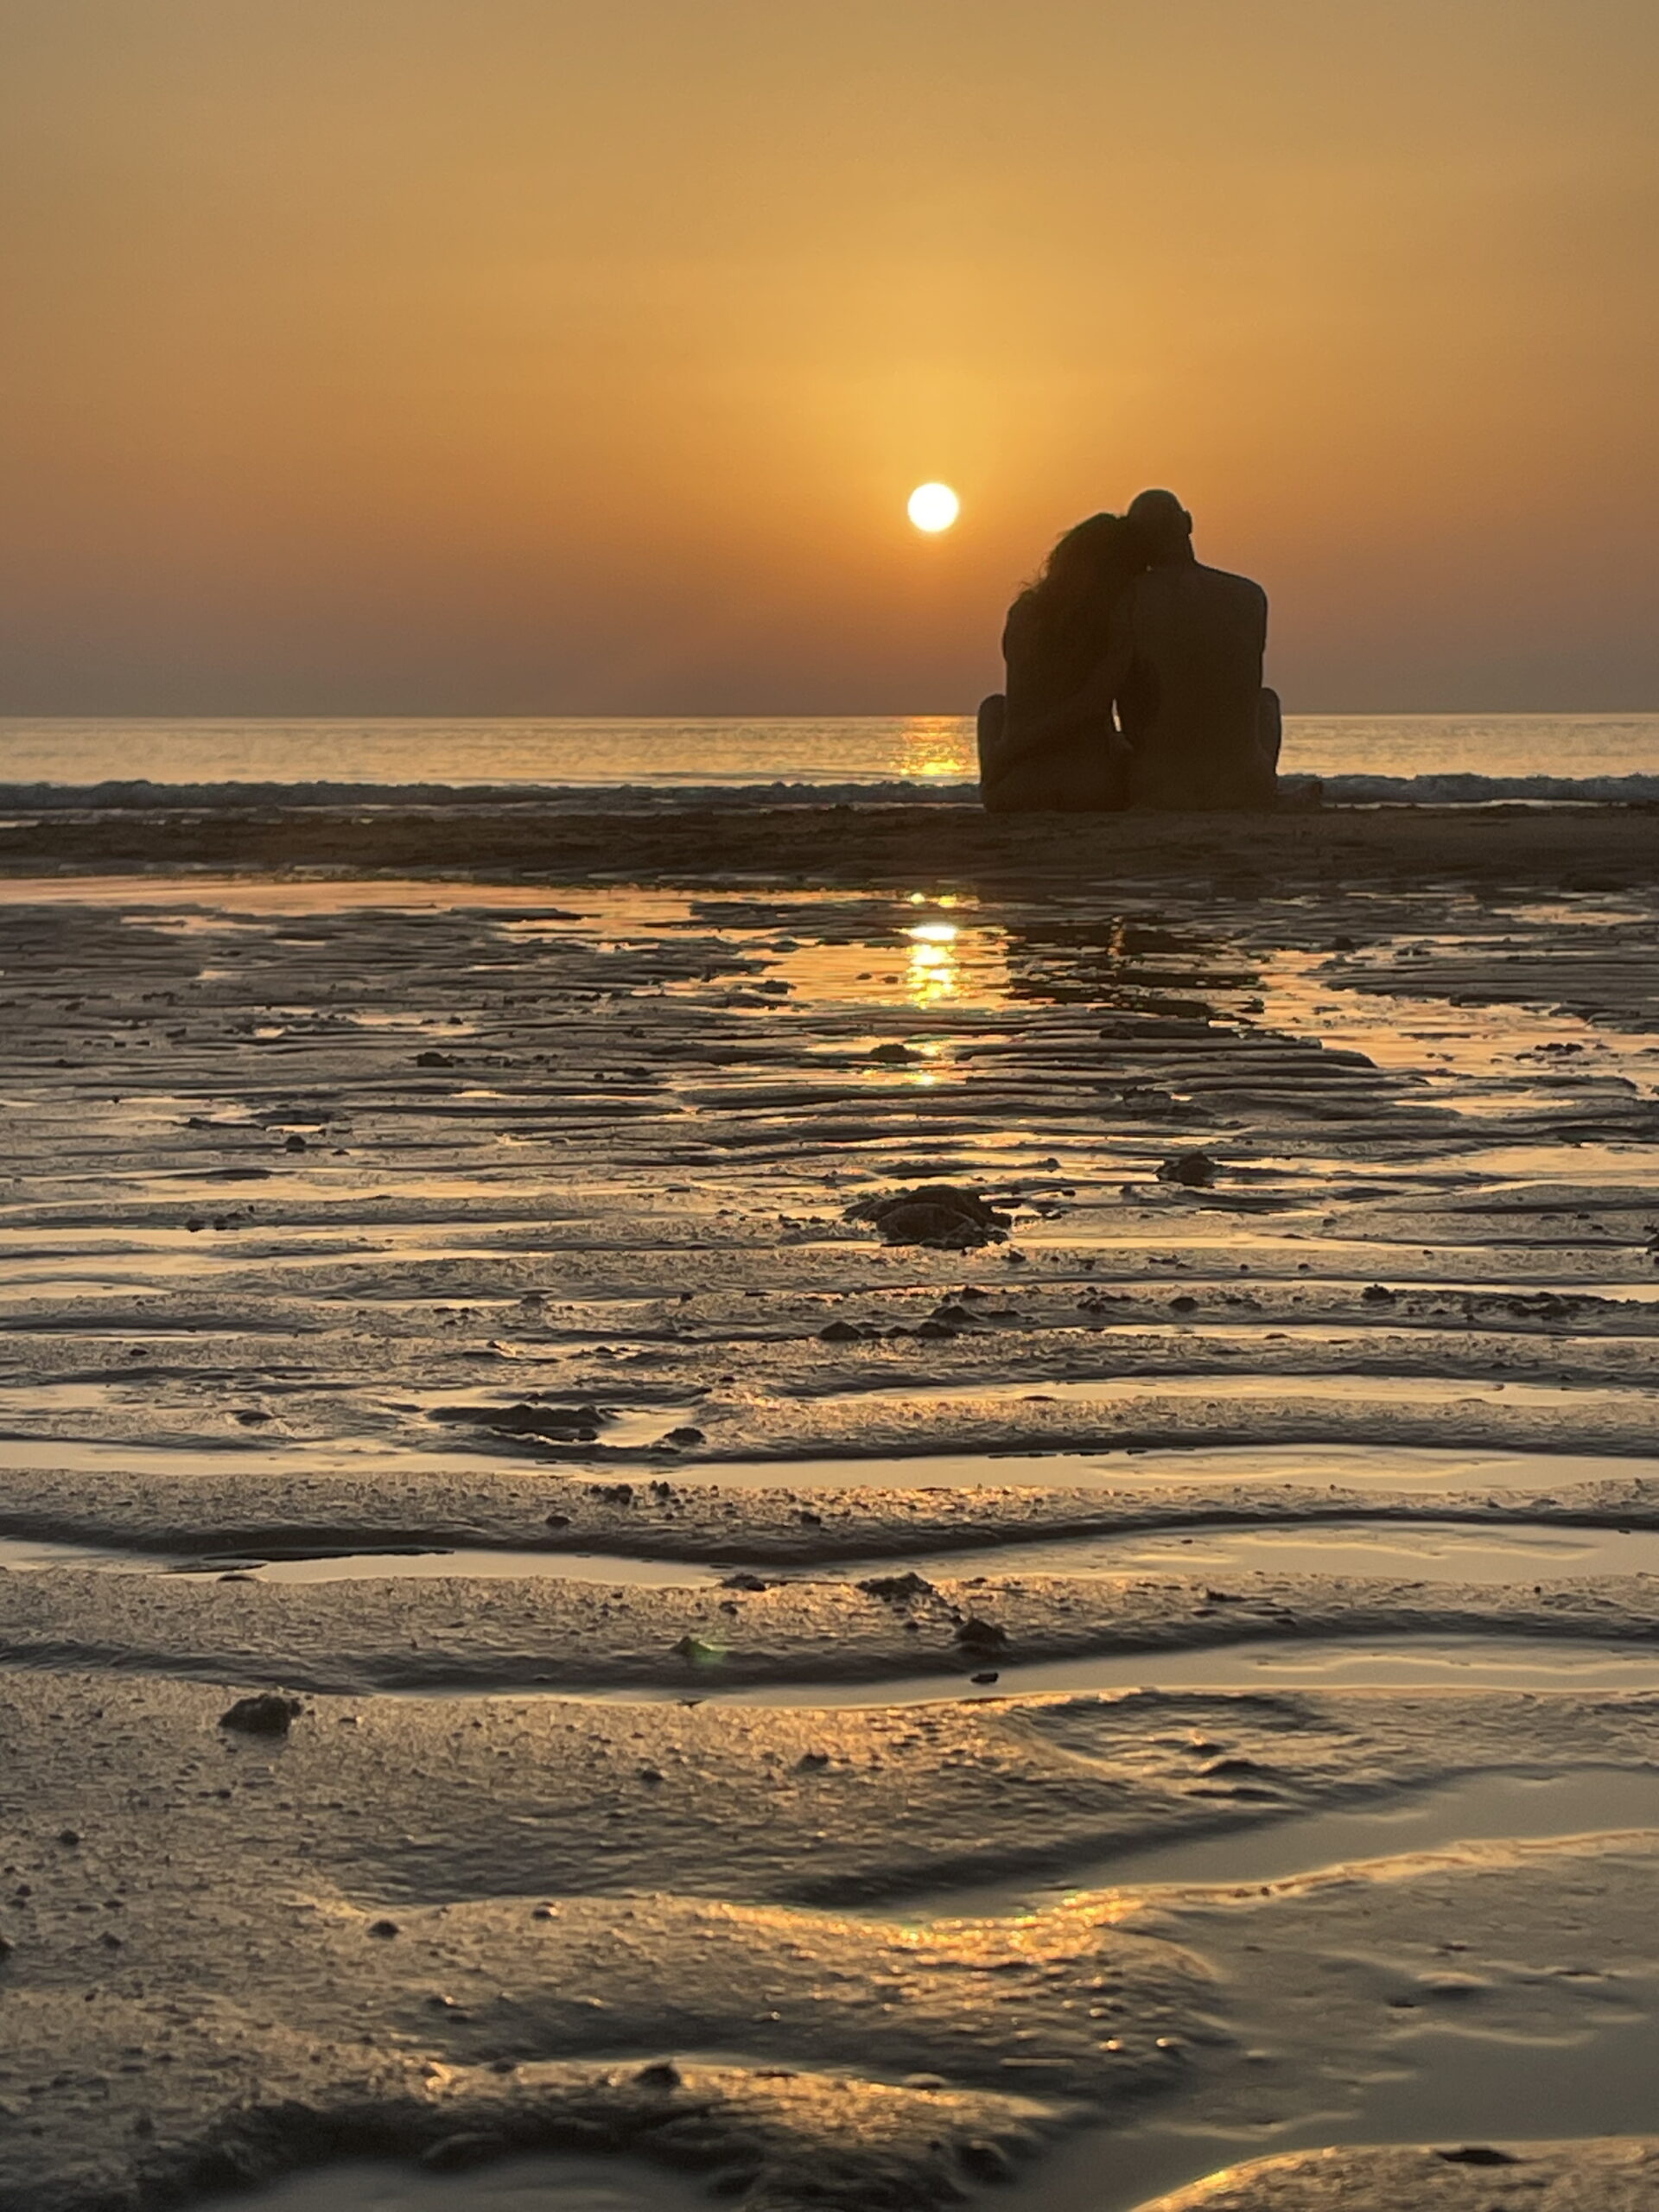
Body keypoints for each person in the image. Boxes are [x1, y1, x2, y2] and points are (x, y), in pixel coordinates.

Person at [1103, 488, 1281, 809]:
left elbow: (1120, 696)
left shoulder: (1127, 600)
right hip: (1245, 785)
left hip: (1159, 785)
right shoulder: (1250, 596)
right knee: (1266, 702)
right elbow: (1242, 684)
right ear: (1187, 523)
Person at [976, 512, 1147, 811]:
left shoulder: (1024, 612)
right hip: (1089, 788)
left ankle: (992, 781)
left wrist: (1007, 753)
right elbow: (1091, 704)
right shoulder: (1117, 619)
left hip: (1012, 791)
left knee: (994, 708)